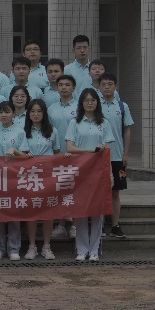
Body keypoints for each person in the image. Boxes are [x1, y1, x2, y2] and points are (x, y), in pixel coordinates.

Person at [65, 88, 113, 261]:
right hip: (80, 171)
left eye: (93, 100)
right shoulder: (75, 123)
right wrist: (91, 151)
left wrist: (110, 175)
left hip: (99, 172)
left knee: (97, 211)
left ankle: (94, 250)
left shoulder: (104, 123)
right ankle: (81, 250)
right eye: (86, 100)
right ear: (81, 103)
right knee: (81, 211)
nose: (90, 103)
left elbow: (107, 151)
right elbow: (70, 147)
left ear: (97, 103)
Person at [22, 99, 60, 260]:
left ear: (44, 113)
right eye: (32, 111)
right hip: (29, 176)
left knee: (47, 211)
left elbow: (57, 153)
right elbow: (20, 153)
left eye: (39, 111)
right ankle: (32, 246)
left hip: (47, 176)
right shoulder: (23, 131)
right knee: (32, 211)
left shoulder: (53, 131)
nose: (36, 114)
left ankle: (46, 246)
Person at [0, 101, 28, 260]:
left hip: (14, 177)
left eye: (7, 112)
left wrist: (15, 151)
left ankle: (14, 248)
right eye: (1, 112)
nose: (4, 115)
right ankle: (0, 247)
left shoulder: (20, 131)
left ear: (13, 113)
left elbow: (26, 155)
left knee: (14, 212)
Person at [99, 73, 132, 238]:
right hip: (99, 157)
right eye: (104, 84)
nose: (107, 87)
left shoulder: (122, 106)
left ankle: (115, 225)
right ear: (99, 87)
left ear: (115, 86)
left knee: (115, 192)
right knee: (99, 192)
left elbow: (127, 130)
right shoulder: (95, 105)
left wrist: (125, 153)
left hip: (117, 155)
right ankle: (99, 226)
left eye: (110, 84)